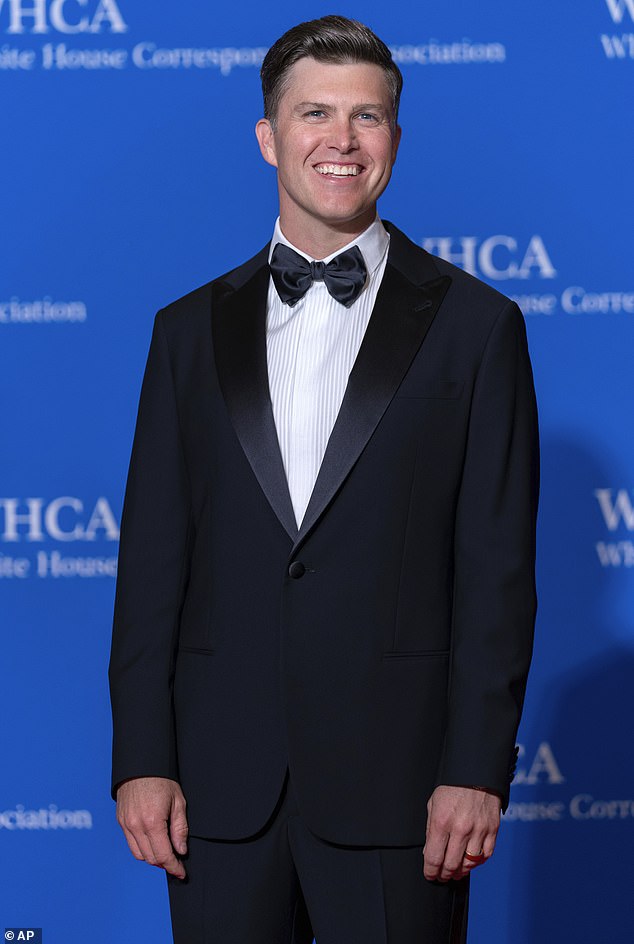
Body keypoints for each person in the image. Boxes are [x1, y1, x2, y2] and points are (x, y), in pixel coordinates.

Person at [109, 14, 539, 943]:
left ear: (394, 136)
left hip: (405, 789)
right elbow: (150, 564)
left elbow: (496, 571)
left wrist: (475, 769)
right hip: (220, 790)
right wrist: (142, 758)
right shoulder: (185, 332)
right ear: (269, 136)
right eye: (315, 114)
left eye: (367, 117)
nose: (341, 141)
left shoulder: (478, 326)